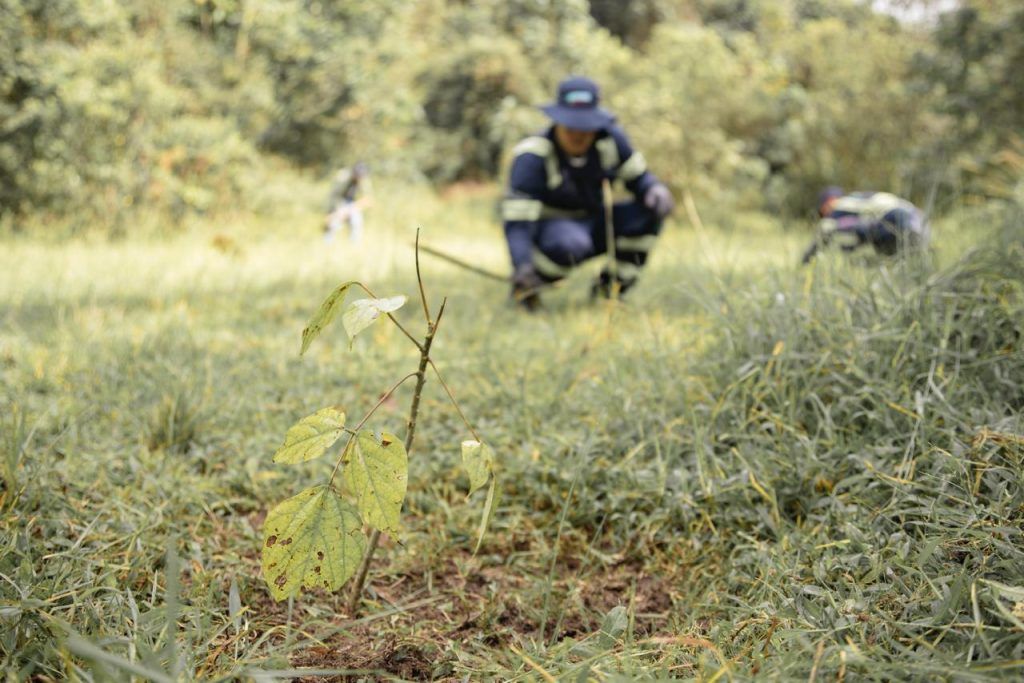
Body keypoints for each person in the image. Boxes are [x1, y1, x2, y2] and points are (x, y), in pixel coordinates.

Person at [501, 76, 675, 309]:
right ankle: (528, 288)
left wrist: (655, 190)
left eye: (585, 126)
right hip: (553, 231)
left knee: (647, 215)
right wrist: (522, 265)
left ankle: (610, 292)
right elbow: (517, 224)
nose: (578, 134)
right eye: (571, 125)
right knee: (571, 243)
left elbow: (640, 178)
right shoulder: (533, 156)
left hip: (594, 220)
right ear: (557, 121)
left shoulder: (611, 141)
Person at [801, 187, 929, 264]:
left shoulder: (839, 205)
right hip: (921, 223)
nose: (823, 215)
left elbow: (826, 228)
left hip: (900, 220)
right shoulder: (859, 199)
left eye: (822, 211)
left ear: (828, 202)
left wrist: (806, 260)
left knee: (862, 249)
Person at [324, 161, 372, 244]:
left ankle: (355, 247)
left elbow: (368, 199)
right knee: (333, 223)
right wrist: (334, 212)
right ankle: (327, 244)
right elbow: (333, 196)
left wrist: (350, 210)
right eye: (358, 175)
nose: (359, 178)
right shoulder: (343, 177)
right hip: (339, 202)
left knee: (356, 221)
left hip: (352, 204)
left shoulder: (364, 180)